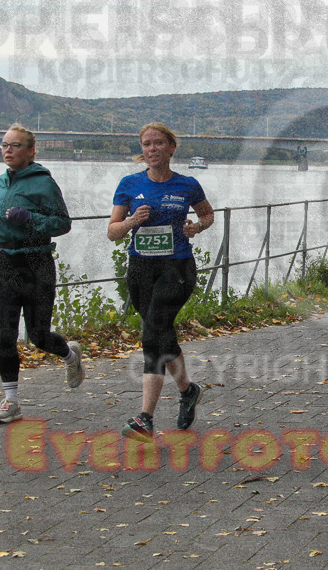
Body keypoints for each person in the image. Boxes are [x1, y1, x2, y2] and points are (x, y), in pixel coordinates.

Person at [108, 122, 215, 440]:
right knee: (162, 334)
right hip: (141, 269)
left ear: (171, 147)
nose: (152, 149)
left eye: (158, 143)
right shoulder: (129, 184)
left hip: (177, 268)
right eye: (146, 144)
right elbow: (112, 231)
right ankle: (188, 390)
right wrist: (131, 221)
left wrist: (197, 227)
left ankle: (145, 418)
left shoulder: (187, 184)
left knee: (152, 332)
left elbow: (208, 214)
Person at [0, 124, 83, 425]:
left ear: (31, 151)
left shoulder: (44, 183)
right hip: (5, 262)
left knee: (38, 335)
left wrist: (29, 218)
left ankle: (70, 356)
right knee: (6, 335)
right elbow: (3, 223)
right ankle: (11, 402)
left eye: (15, 145)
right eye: (4, 145)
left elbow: (62, 223)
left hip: (36, 263)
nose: (7, 150)